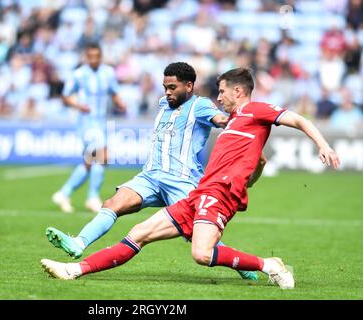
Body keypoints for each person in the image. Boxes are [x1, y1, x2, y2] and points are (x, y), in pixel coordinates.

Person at [41, 68, 341, 289]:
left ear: (238, 91)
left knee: (200, 253)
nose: (218, 96)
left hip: (219, 193)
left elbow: (299, 119)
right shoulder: (235, 121)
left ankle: (267, 265)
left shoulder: (254, 109)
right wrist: (252, 172)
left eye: (222, 91)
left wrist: (323, 145)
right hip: (201, 192)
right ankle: (75, 269)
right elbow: (255, 165)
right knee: (139, 232)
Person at [52, 43, 127, 213]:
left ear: (100, 57)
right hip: (86, 123)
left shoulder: (108, 73)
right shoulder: (78, 74)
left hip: (100, 122)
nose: (94, 60)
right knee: (103, 155)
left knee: (90, 161)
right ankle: (92, 197)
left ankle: (64, 193)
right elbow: (65, 96)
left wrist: (119, 102)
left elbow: (114, 92)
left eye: (97, 56)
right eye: (90, 56)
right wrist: (78, 105)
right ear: (86, 57)